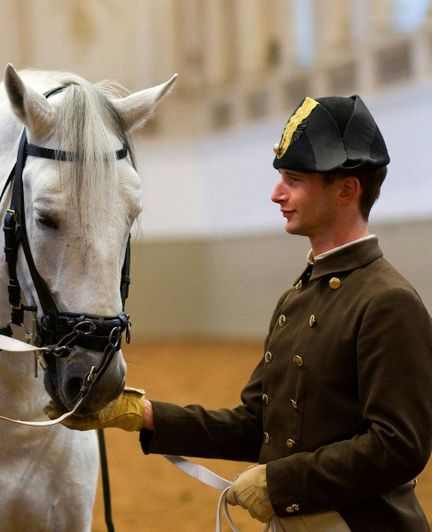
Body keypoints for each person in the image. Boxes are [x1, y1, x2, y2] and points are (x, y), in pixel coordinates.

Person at [47, 95, 432, 530]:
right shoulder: (297, 298)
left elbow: (400, 447)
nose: (276, 194)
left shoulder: (388, 301)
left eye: (294, 179)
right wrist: (142, 413)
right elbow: (258, 425)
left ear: (346, 189)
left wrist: (281, 484)